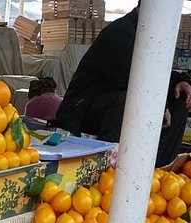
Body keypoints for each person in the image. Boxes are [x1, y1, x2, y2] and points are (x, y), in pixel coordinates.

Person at [55, 2, 191, 167]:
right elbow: (134, 78)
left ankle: (159, 169)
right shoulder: (119, 33)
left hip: (114, 102)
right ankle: (110, 168)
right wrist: (158, 106)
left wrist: (180, 81)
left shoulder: (148, 35)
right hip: (83, 110)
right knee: (131, 100)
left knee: (180, 98)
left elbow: (155, 71)